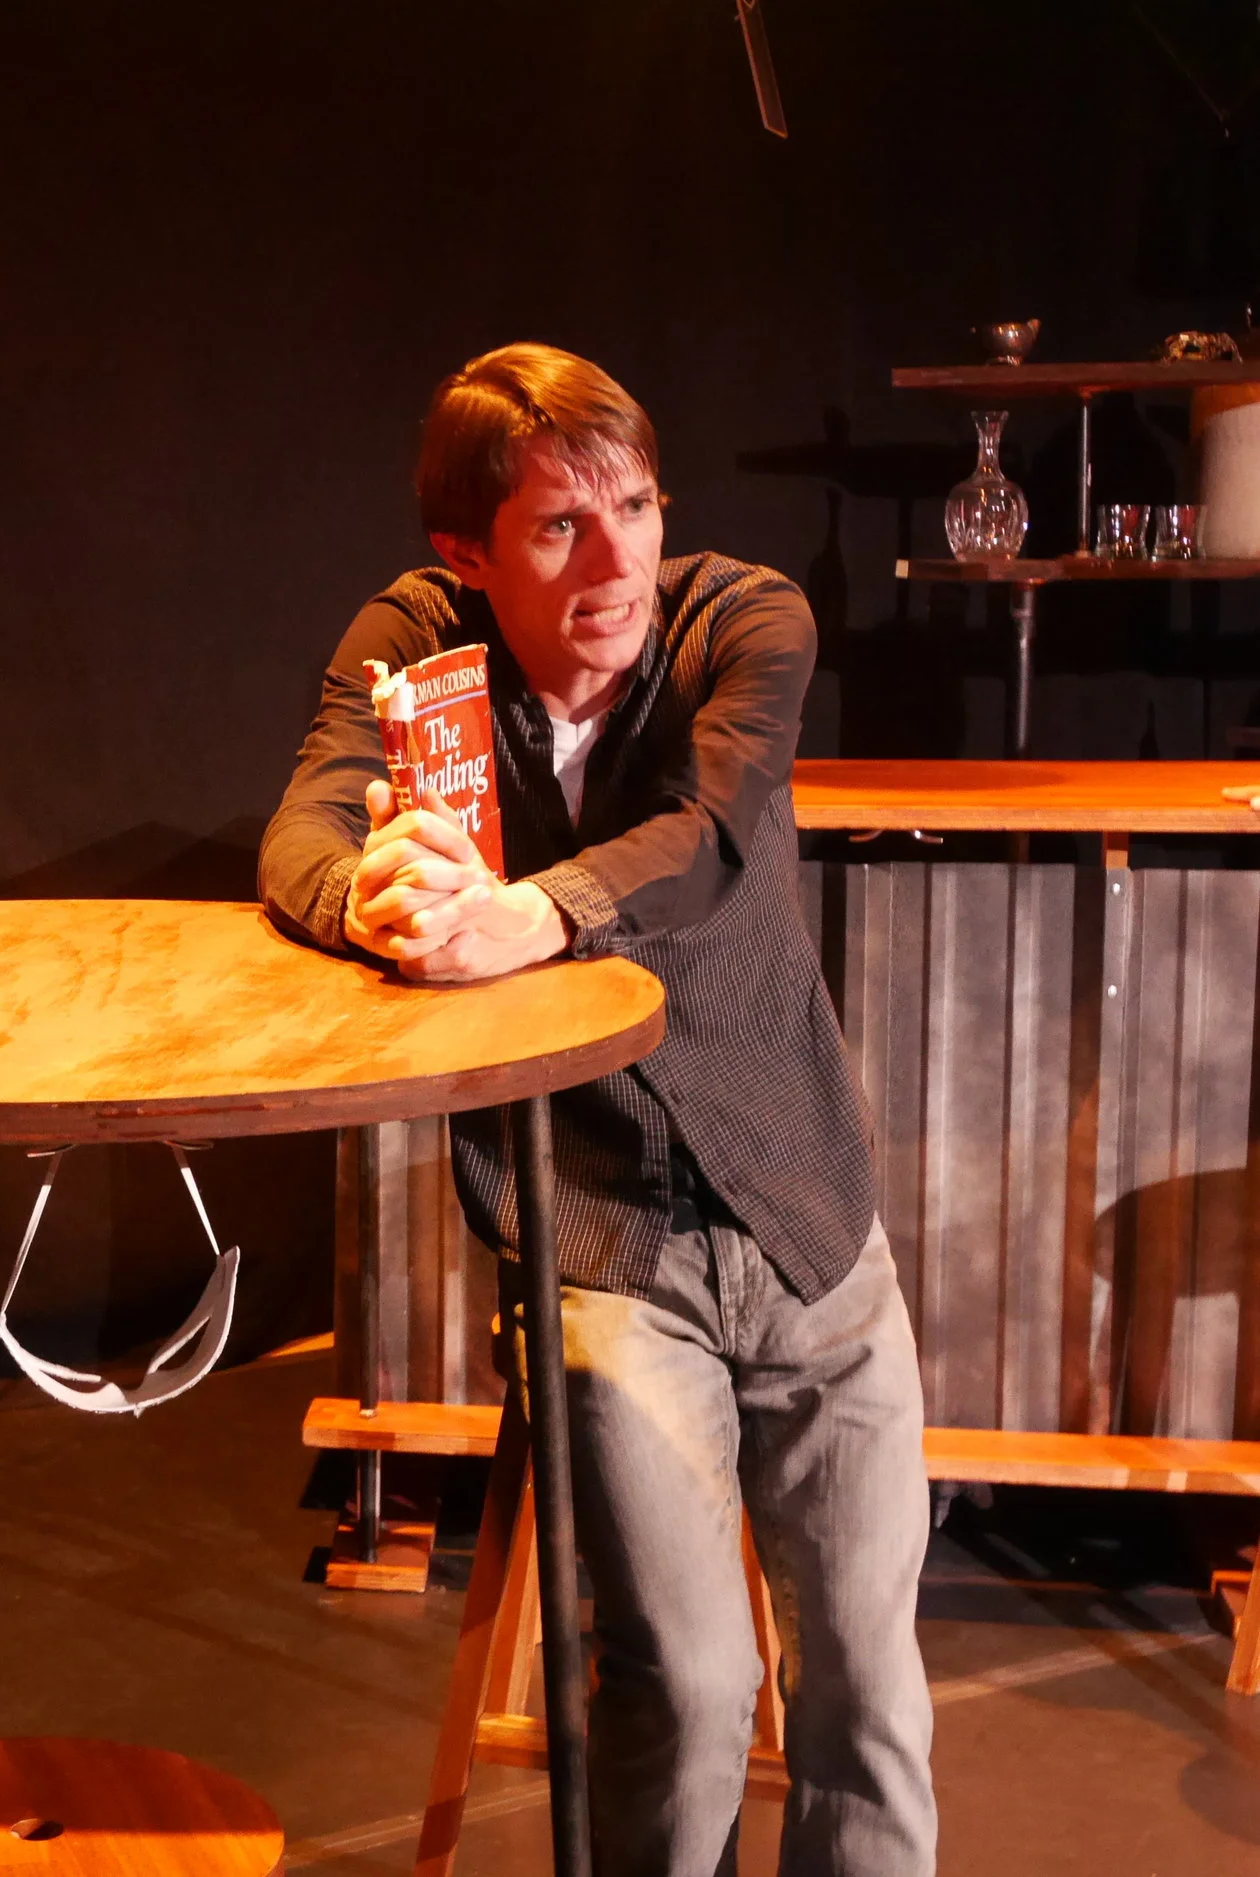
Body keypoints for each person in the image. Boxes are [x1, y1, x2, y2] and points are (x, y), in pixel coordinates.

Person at [260, 344, 934, 1876]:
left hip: (806, 1221)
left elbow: (708, 837)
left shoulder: (743, 619)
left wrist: (530, 913)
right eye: (561, 527)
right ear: (468, 553)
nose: (615, 561)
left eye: (634, 507)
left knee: (869, 1699)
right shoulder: (414, 642)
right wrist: (373, 898)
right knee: (687, 1690)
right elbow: (304, 826)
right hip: (601, 1244)